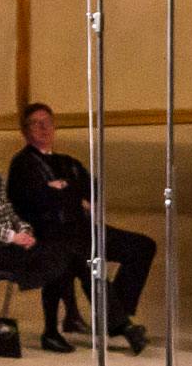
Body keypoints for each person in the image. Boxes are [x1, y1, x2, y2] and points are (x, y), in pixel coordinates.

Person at [9, 102, 152, 351]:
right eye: (36, 124)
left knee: (142, 246)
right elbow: (32, 199)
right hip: (53, 235)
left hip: (84, 230)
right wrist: (68, 195)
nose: (44, 128)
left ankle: (117, 313)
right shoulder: (22, 164)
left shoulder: (67, 162)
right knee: (88, 259)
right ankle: (122, 324)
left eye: (48, 123)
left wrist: (66, 190)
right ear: (25, 131)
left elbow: (92, 187)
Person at [0, 128, 85, 352]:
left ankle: (53, 329)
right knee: (58, 259)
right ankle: (52, 332)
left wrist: (25, 231)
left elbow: (10, 213)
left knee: (64, 255)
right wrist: (13, 237)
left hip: (10, 244)